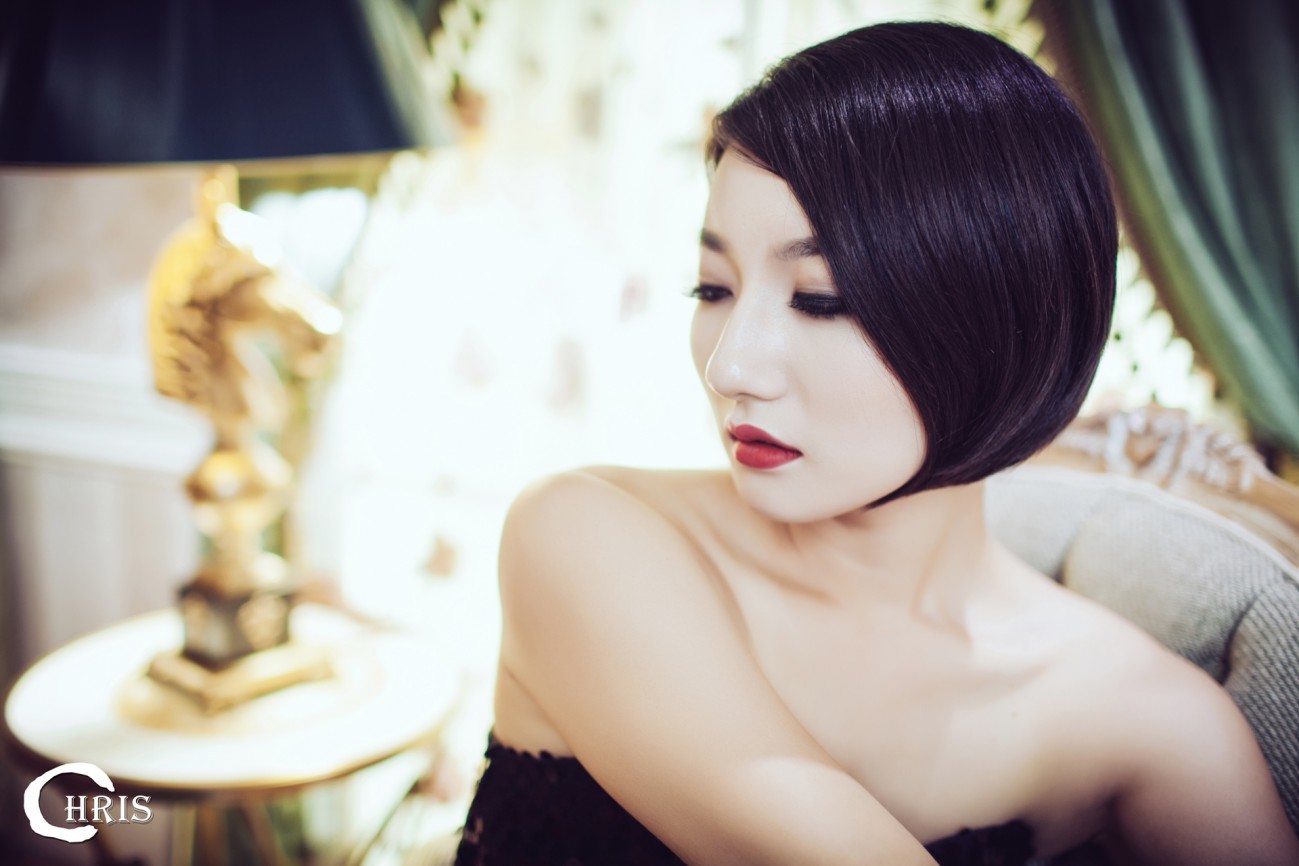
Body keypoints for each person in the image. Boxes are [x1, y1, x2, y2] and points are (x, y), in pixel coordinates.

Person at [453, 21, 1299, 866]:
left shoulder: (1145, 720)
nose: (729, 365)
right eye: (713, 288)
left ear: (998, 326)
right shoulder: (584, 534)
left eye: (819, 299)